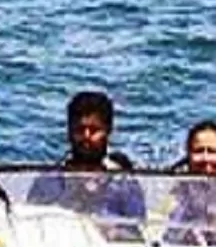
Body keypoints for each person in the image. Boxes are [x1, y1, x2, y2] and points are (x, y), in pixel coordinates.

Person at [27, 90, 144, 236]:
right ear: (69, 131)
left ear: (108, 131)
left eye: (94, 130)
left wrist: (111, 231)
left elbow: (138, 232)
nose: (86, 136)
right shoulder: (48, 181)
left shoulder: (123, 184)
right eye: (80, 130)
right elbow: (33, 229)